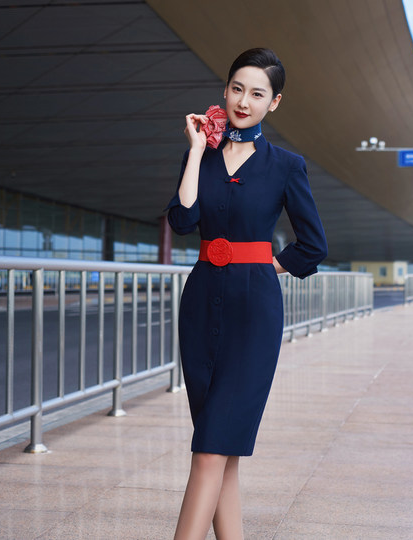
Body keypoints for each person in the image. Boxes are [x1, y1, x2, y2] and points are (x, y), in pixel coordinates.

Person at [166, 47, 327, 540]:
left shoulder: (286, 166)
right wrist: (195, 150)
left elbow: (313, 245)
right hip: (200, 304)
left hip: (253, 312)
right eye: (237, 88)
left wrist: (265, 266)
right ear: (225, 90)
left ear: (273, 103)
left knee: (211, 449)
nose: (244, 100)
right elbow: (183, 219)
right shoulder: (202, 156)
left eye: (257, 93)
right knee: (220, 449)